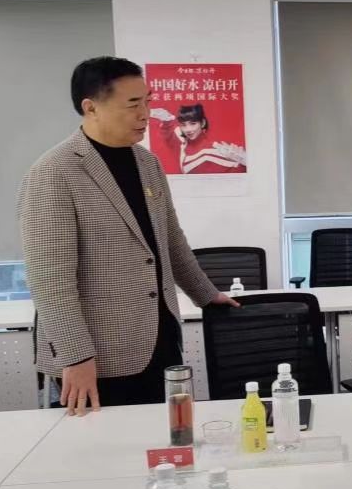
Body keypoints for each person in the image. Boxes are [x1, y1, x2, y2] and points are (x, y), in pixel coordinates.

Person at [19, 56, 236, 416]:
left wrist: (206, 294)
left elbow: (170, 240)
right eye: (133, 104)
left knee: (165, 436)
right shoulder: (55, 172)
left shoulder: (147, 163)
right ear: (91, 107)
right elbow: (49, 279)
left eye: (148, 101)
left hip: (159, 336)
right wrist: (76, 356)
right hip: (97, 354)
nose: (145, 114)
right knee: (107, 446)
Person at [150, 103, 247, 174]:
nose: (188, 129)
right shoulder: (183, 146)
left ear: (203, 123)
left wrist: (246, 162)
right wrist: (167, 120)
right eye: (183, 125)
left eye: (193, 124)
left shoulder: (213, 150)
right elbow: (168, 136)